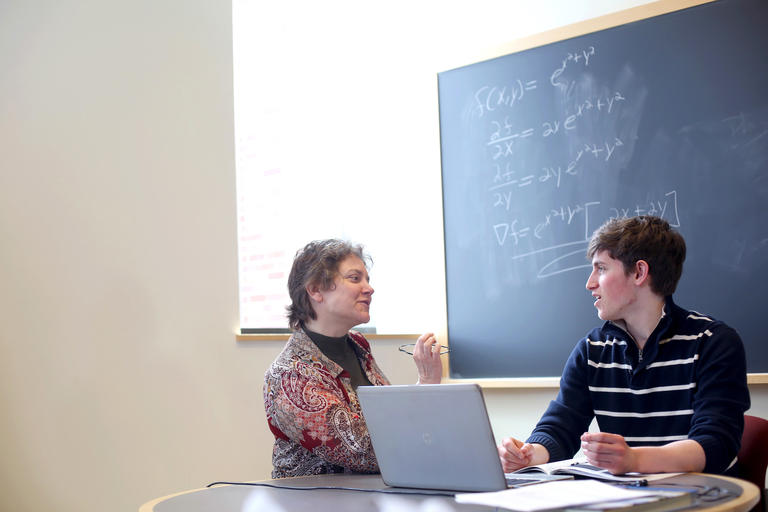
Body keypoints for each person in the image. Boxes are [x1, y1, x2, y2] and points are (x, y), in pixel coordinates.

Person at [498, 216, 750, 476]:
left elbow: (716, 444)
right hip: (625, 493)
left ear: (639, 272)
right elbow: (560, 428)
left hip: (703, 493)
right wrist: (529, 455)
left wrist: (634, 460)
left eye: (601, 268)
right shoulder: (592, 350)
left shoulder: (712, 342)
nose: (590, 283)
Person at [263, 239, 443, 478]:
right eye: (355, 278)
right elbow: (366, 451)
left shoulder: (358, 346)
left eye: (367, 279)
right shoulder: (289, 375)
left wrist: (427, 384)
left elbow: (392, 417)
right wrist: (426, 391)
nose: (369, 288)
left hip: (376, 493)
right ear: (315, 290)